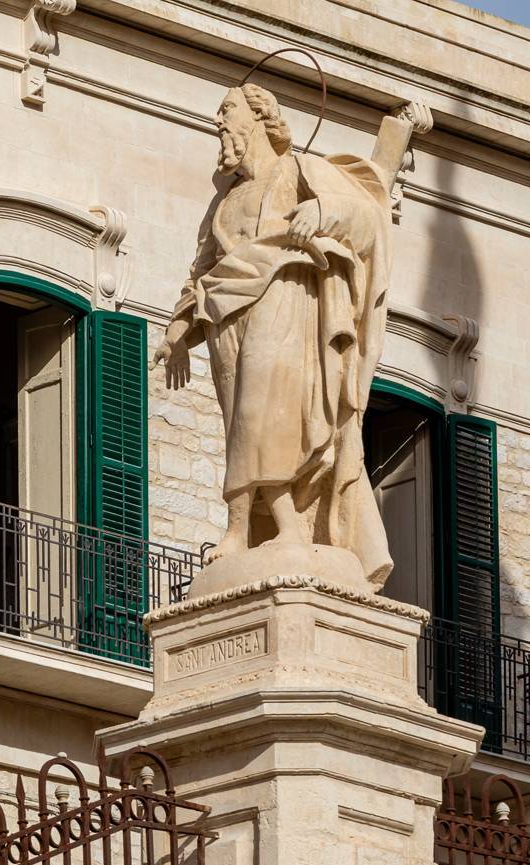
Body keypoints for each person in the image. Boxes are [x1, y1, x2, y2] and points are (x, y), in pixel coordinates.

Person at [155, 85, 421, 589]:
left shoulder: (299, 171)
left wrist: (321, 215)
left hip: (285, 299)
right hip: (225, 320)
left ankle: (266, 529)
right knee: (241, 421)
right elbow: (202, 271)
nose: (219, 122)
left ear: (259, 117)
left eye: (226, 111)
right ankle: (251, 529)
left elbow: (365, 217)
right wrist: (176, 332)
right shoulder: (224, 201)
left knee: (266, 412)